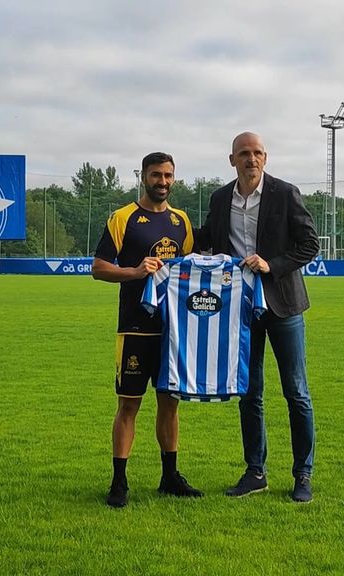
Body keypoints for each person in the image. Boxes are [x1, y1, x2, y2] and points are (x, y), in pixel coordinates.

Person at [194, 132, 320, 503]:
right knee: (250, 393)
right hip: (241, 309)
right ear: (231, 159)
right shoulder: (220, 199)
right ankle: (255, 471)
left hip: (283, 305)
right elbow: (209, 240)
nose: (252, 159)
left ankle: (303, 474)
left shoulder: (285, 193)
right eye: (244, 154)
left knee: (296, 392)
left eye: (258, 153)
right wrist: (171, 230)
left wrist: (271, 264)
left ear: (266, 158)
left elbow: (309, 244)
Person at [92, 151, 203, 508]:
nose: (163, 182)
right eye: (157, 175)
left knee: (170, 405)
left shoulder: (181, 221)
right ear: (143, 177)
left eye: (169, 175)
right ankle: (119, 481)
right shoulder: (123, 218)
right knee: (129, 405)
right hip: (136, 327)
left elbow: (188, 269)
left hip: (173, 330)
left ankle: (169, 476)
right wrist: (135, 272)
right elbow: (98, 267)